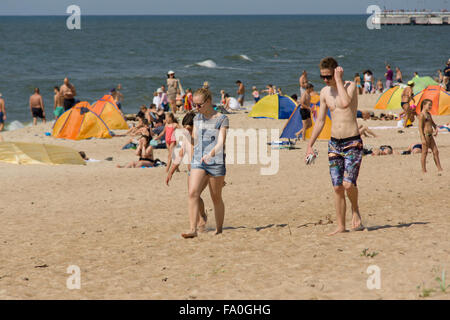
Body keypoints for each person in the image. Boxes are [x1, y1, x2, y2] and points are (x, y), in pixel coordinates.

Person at [305, 57, 363, 235]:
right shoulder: (324, 92)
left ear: (336, 71)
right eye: (322, 77)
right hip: (334, 144)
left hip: (352, 141)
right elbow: (321, 120)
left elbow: (345, 103)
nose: (325, 80)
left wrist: (338, 81)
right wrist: (310, 145)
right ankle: (340, 226)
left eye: (328, 76)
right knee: (337, 187)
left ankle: (355, 209)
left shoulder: (350, 86)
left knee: (347, 184)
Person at [182, 88, 229, 239]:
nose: (196, 108)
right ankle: (192, 229)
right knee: (192, 192)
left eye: (199, 105)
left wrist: (211, 154)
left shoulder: (222, 118)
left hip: (215, 160)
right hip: (199, 160)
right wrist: (188, 138)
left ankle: (219, 229)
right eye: (193, 105)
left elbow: (221, 141)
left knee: (216, 198)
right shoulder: (197, 119)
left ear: (208, 102)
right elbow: (195, 139)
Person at [166, 112, 207, 232]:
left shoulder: (202, 137)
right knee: (193, 195)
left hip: (203, 171)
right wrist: (171, 172)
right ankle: (201, 216)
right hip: (191, 172)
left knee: (195, 194)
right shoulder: (185, 138)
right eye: (185, 128)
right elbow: (180, 155)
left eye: (189, 129)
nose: (187, 131)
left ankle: (202, 218)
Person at [418, 99, 443, 173]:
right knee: (424, 153)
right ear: (424, 105)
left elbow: (433, 123)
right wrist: (422, 138)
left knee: (435, 151)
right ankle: (424, 170)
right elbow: (420, 128)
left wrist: (436, 129)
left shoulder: (428, 114)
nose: (430, 107)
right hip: (425, 136)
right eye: (429, 105)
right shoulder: (422, 115)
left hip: (430, 136)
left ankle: (439, 168)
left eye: (431, 105)